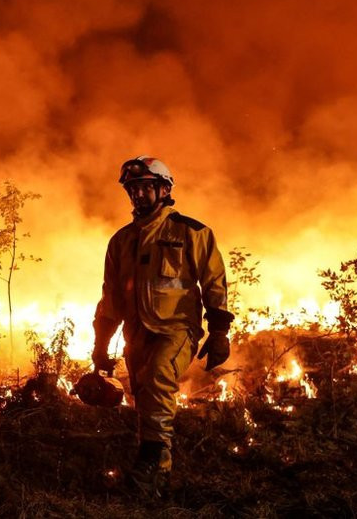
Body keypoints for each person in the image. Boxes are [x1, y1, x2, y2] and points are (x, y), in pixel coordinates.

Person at [92, 155, 234, 496]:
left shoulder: (192, 232)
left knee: (157, 379)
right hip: (136, 332)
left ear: (164, 189)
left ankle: (147, 460)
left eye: (144, 188)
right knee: (146, 400)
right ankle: (158, 480)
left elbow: (214, 282)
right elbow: (110, 296)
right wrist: (100, 344)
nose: (137, 196)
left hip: (177, 329)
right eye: (132, 190)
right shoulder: (121, 241)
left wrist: (218, 332)